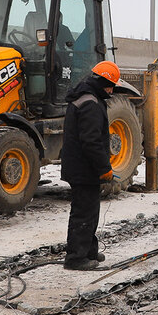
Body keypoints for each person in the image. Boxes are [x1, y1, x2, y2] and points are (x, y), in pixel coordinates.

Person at [60, 60, 120, 270]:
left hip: (81, 167)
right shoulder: (91, 104)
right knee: (84, 212)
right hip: (83, 169)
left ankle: (89, 250)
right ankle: (76, 258)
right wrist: (104, 169)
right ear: (103, 82)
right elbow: (91, 141)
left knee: (90, 210)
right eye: (111, 85)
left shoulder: (86, 97)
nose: (112, 90)